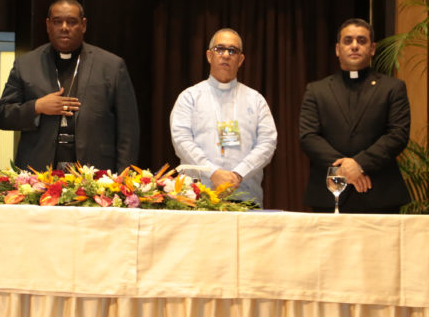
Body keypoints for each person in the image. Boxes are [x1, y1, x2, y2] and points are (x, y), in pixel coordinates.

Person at [0, 0, 139, 172]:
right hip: (37, 172)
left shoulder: (111, 66)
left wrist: (123, 178)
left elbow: (128, 130)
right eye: (57, 22)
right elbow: (3, 116)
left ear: (83, 25)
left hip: (96, 173)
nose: (64, 27)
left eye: (71, 22)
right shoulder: (26, 64)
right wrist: (37, 107)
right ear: (48, 25)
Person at [299, 18, 411, 213]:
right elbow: (308, 137)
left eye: (361, 40)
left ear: (372, 48)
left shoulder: (393, 88)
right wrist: (345, 169)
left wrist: (359, 164)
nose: (354, 46)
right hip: (329, 195)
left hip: (380, 194)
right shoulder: (317, 90)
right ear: (337, 49)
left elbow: (398, 135)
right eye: (348, 40)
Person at [170, 28, 277, 207]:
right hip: (197, 197)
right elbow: (182, 141)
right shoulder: (189, 97)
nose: (226, 55)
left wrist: (238, 174)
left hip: (245, 196)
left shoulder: (256, 100)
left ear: (241, 59)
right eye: (220, 49)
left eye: (232, 50)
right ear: (209, 55)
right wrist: (213, 173)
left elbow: (267, 143)